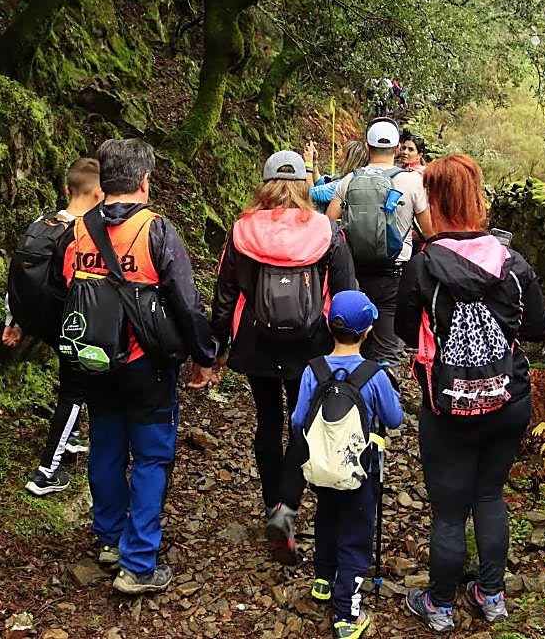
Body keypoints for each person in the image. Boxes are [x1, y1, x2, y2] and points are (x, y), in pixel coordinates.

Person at [393, 154, 545, 632]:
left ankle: (440, 606)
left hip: (448, 404)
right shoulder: (513, 263)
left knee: (448, 511)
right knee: (489, 496)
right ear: (476, 198)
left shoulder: (422, 267)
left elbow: (403, 330)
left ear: (433, 201)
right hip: (508, 398)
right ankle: (492, 594)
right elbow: (539, 328)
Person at [61, 138, 219, 595]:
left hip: (92, 358)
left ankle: (110, 539)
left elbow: (64, 288)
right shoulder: (156, 230)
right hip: (144, 362)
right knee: (151, 457)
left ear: (105, 180)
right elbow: (187, 304)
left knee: (107, 449)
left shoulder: (78, 230)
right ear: (144, 181)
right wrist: (204, 357)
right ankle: (139, 563)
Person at [209, 150, 357, 564]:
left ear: (264, 183)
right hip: (311, 345)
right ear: (305, 185)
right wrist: (349, 351)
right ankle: (287, 508)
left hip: (256, 343)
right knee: (304, 424)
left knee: (268, 421)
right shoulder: (327, 232)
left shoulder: (241, 231)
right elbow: (346, 295)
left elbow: (224, 297)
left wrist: (216, 348)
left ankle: (271, 502)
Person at [291, 290, 403, 639]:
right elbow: (394, 418)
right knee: (355, 535)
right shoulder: (374, 375)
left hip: (321, 467)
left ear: (328, 323)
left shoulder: (314, 370)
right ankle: (346, 615)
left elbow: (297, 420)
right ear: (369, 329)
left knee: (326, 517)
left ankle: (323, 579)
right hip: (359, 471)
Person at [4, 158, 104, 496]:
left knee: (70, 376)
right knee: (75, 392)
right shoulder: (84, 234)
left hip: (37, 318)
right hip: (67, 323)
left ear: (66, 189)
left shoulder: (42, 222)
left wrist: (14, 321)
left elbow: (15, 271)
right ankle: (46, 472)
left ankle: (71, 437)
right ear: (100, 194)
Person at [327, 118, 432, 368]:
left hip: (354, 273)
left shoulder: (349, 180)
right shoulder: (412, 181)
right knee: (386, 349)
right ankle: (382, 395)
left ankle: (350, 396)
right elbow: (431, 233)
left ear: (367, 145)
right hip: (394, 275)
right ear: (397, 149)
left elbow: (327, 225)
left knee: (352, 342)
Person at [308, 140, 369, 213]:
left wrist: (308, 164)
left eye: (343, 150)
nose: (337, 152)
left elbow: (308, 193)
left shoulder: (342, 184)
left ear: (350, 158)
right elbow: (321, 183)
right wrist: (314, 163)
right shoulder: (350, 179)